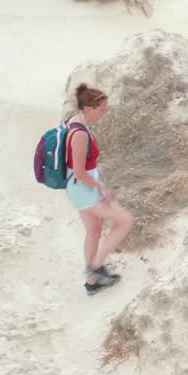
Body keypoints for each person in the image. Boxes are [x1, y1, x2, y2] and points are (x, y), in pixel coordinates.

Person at [65, 84, 134, 295]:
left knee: (94, 231)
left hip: (78, 188)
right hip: (83, 189)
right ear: (88, 108)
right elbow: (79, 171)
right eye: (101, 110)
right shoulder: (80, 134)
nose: (103, 114)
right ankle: (95, 268)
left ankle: (92, 284)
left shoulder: (73, 123)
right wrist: (101, 186)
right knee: (125, 221)